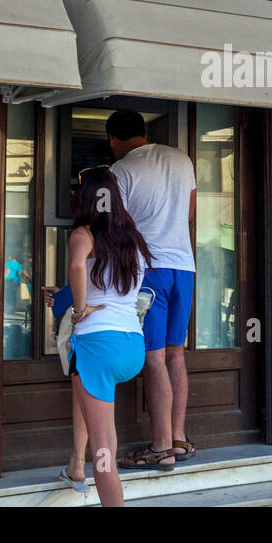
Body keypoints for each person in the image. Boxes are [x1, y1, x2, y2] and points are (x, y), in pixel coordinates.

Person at [49, 165, 151, 507]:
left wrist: (78, 309)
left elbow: (79, 266)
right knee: (98, 420)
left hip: (97, 346)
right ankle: (75, 465)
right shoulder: (132, 239)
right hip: (132, 346)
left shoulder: (84, 234)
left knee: (103, 446)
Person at [106, 109, 197, 472]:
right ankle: (178, 437)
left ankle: (161, 449)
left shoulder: (120, 170)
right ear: (144, 131)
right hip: (183, 268)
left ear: (112, 139)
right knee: (176, 355)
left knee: (154, 358)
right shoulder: (181, 159)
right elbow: (188, 213)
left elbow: (115, 227)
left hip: (149, 272)